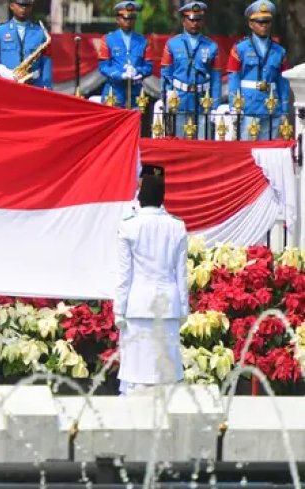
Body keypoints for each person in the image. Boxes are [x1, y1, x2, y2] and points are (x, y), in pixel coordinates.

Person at [114, 166, 187, 396]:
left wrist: (119, 309)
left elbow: (124, 274)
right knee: (166, 378)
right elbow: (181, 274)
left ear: (141, 195)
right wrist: (184, 310)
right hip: (168, 305)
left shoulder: (129, 225)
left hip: (138, 306)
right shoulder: (177, 226)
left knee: (136, 377)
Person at [227, 0, 290, 140]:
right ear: (250, 24)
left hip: (272, 106)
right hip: (248, 106)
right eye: (259, 21)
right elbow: (234, 78)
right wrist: (234, 107)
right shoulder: (240, 49)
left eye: (267, 21)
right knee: (247, 150)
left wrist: (285, 109)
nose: (263, 25)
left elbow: (283, 81)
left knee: (270, 151)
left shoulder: (279, 51)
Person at [159, 2, 221, 139]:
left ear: (202, 21)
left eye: (198, 20)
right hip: (179, 98)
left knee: (203, 142)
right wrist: (165, 97)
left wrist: (215, 105)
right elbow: (166, 73)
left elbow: (216, 78)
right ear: (183, 21)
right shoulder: (172, 44)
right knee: (179, 141)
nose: (194, 23)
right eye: (191, 19)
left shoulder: (211, 46)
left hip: (202, 100)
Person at [0, 0, 52, 88]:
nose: (24, 8)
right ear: (11, 6)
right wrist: (0, 69)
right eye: (20, 5)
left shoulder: (41, 33)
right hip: (6, 85)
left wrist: (48, 88)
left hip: (34, 86)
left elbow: (46, 63)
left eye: (27, 5)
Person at [97, 1, 153, 108]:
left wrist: (138, 71)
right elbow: (103, 67)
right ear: (117, 19)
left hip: (135, 93)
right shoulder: (108, 39)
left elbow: (149, 66)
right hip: (114, 92)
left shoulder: (143, 41)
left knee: (136, 124)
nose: (128, 21)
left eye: (131, 18)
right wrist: (120, 75)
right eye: (125, 18)